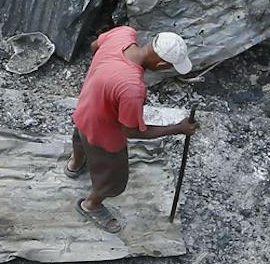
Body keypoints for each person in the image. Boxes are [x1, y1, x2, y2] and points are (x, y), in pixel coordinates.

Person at [68, 27, 200, 233]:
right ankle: (91, 205)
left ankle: (75, 166)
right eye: (169, 67)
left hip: (86, 106)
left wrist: (104, 76)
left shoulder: (123, 33)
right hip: (104, 134)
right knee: (113, 180)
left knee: (80, 137)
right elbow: (132, 131)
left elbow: (95, 45)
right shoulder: (131, 88)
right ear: (162, 64)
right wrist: (177, 128)